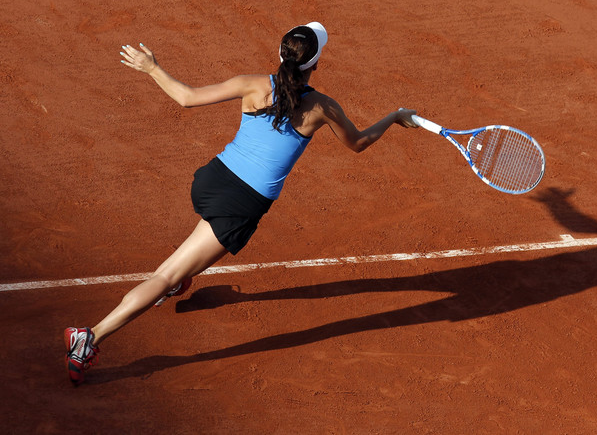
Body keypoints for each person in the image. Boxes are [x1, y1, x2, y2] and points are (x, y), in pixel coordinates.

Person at [64, 22, 418, 385]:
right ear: (316, 65)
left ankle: (177, 279)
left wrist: (152, 67)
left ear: (281, 57)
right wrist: (395, 117)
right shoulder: (322, 108)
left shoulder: (251, 84)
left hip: (210, 180)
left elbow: (186, 98)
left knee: (197, 247)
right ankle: (89, 336)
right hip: (239, 205)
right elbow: (358, 143)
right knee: (166, 274)